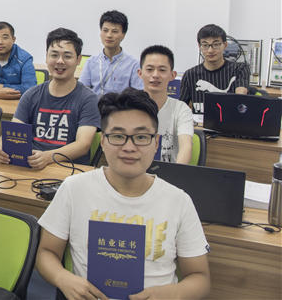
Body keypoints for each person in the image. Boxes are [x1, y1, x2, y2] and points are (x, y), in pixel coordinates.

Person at [35, 88, 211, 300]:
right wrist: (63, 278)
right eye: (118, 136)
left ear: (156, 143)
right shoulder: (74, 189)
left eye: (141, 137)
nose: (129, 147)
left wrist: (173, 294)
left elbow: (200, 277)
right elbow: (46, 253)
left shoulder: (178, 201)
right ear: (102, 141)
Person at [0, 28, 100, 168]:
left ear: (78, 60)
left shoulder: (88, 99)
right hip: (31, 164)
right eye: (54, 55)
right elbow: (14, 132)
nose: (60, 61)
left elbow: (83, 145)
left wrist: (48, 157)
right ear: (46, 57)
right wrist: (1, 147)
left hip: (68, 169)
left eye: (67, 56)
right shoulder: (32, 95)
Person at [139, 45, 193, 164]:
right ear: (140, 73)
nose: (155, 75)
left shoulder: (181, 109)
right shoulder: (129, 106)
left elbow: (186, 146)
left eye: (162, 70)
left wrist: (176, 172)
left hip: (169, 172)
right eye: (149, 69)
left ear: (173, 75)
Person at [179, 24, 249, 115]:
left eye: (216, 44)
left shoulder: (239, 69)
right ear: (199, 46)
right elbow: (181, 108)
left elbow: (241, 98)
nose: (210, 50)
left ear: (225, 45)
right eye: (205, 45)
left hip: (229, 122)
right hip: (199, 123)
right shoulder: (190, 74)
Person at [79, 10, 143, 95]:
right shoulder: (91, 62)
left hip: (121, 104)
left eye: (114, 31)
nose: (109, 35)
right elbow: (82, 91)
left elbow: (138, 96)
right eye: (105, 30)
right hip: (94, 103)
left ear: (123, 35)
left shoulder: (133, 65)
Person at [0, 21, 37, 99]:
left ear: (13, 39)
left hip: (16, 104)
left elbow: (31, 89)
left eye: (5, 37)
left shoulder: (25, 59)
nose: (0, 42)